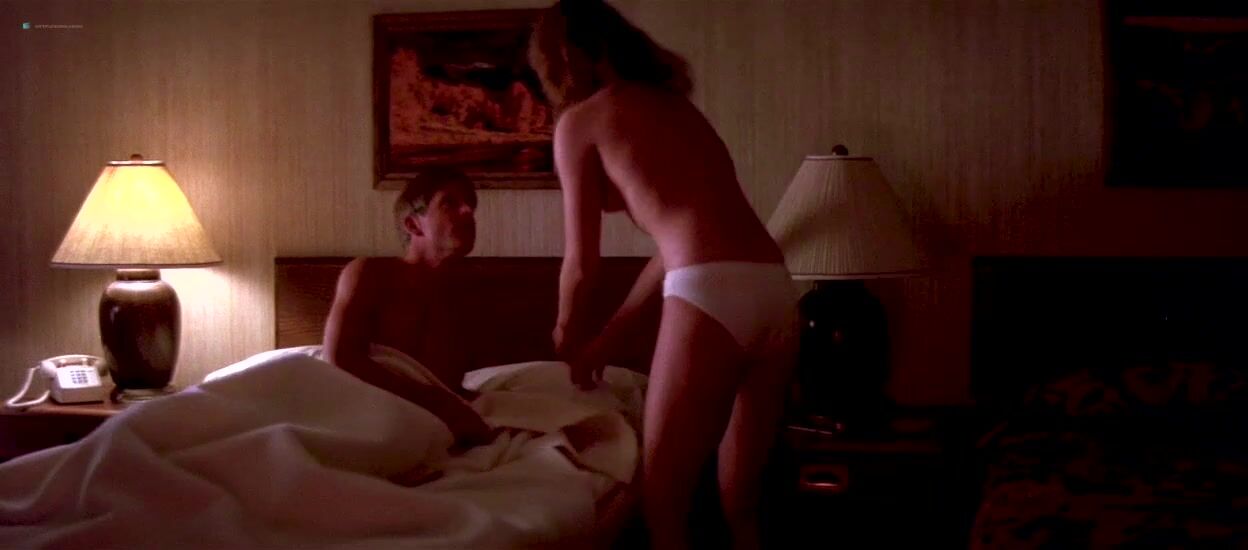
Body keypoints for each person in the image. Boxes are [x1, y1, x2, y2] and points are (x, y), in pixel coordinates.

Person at [530, 2, 800, 549]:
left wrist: (566, 330)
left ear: (565, 58)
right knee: (741, 500)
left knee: (663, 500)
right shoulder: (678, 109)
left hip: (711, 293)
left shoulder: (580, 122)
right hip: (776, 289)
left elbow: (582, 263)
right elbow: (673, 254)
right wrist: (609, 339)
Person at [322, 169, 493, 448]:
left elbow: (448, 385)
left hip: (416, 422)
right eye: (450, 203)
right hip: (361, 408)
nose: (468, 211)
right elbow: (339, 359)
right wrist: (440, 404)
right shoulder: (369, 273)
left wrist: (462, 411)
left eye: (470, 204)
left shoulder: (467, 293)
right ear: (413, 225)